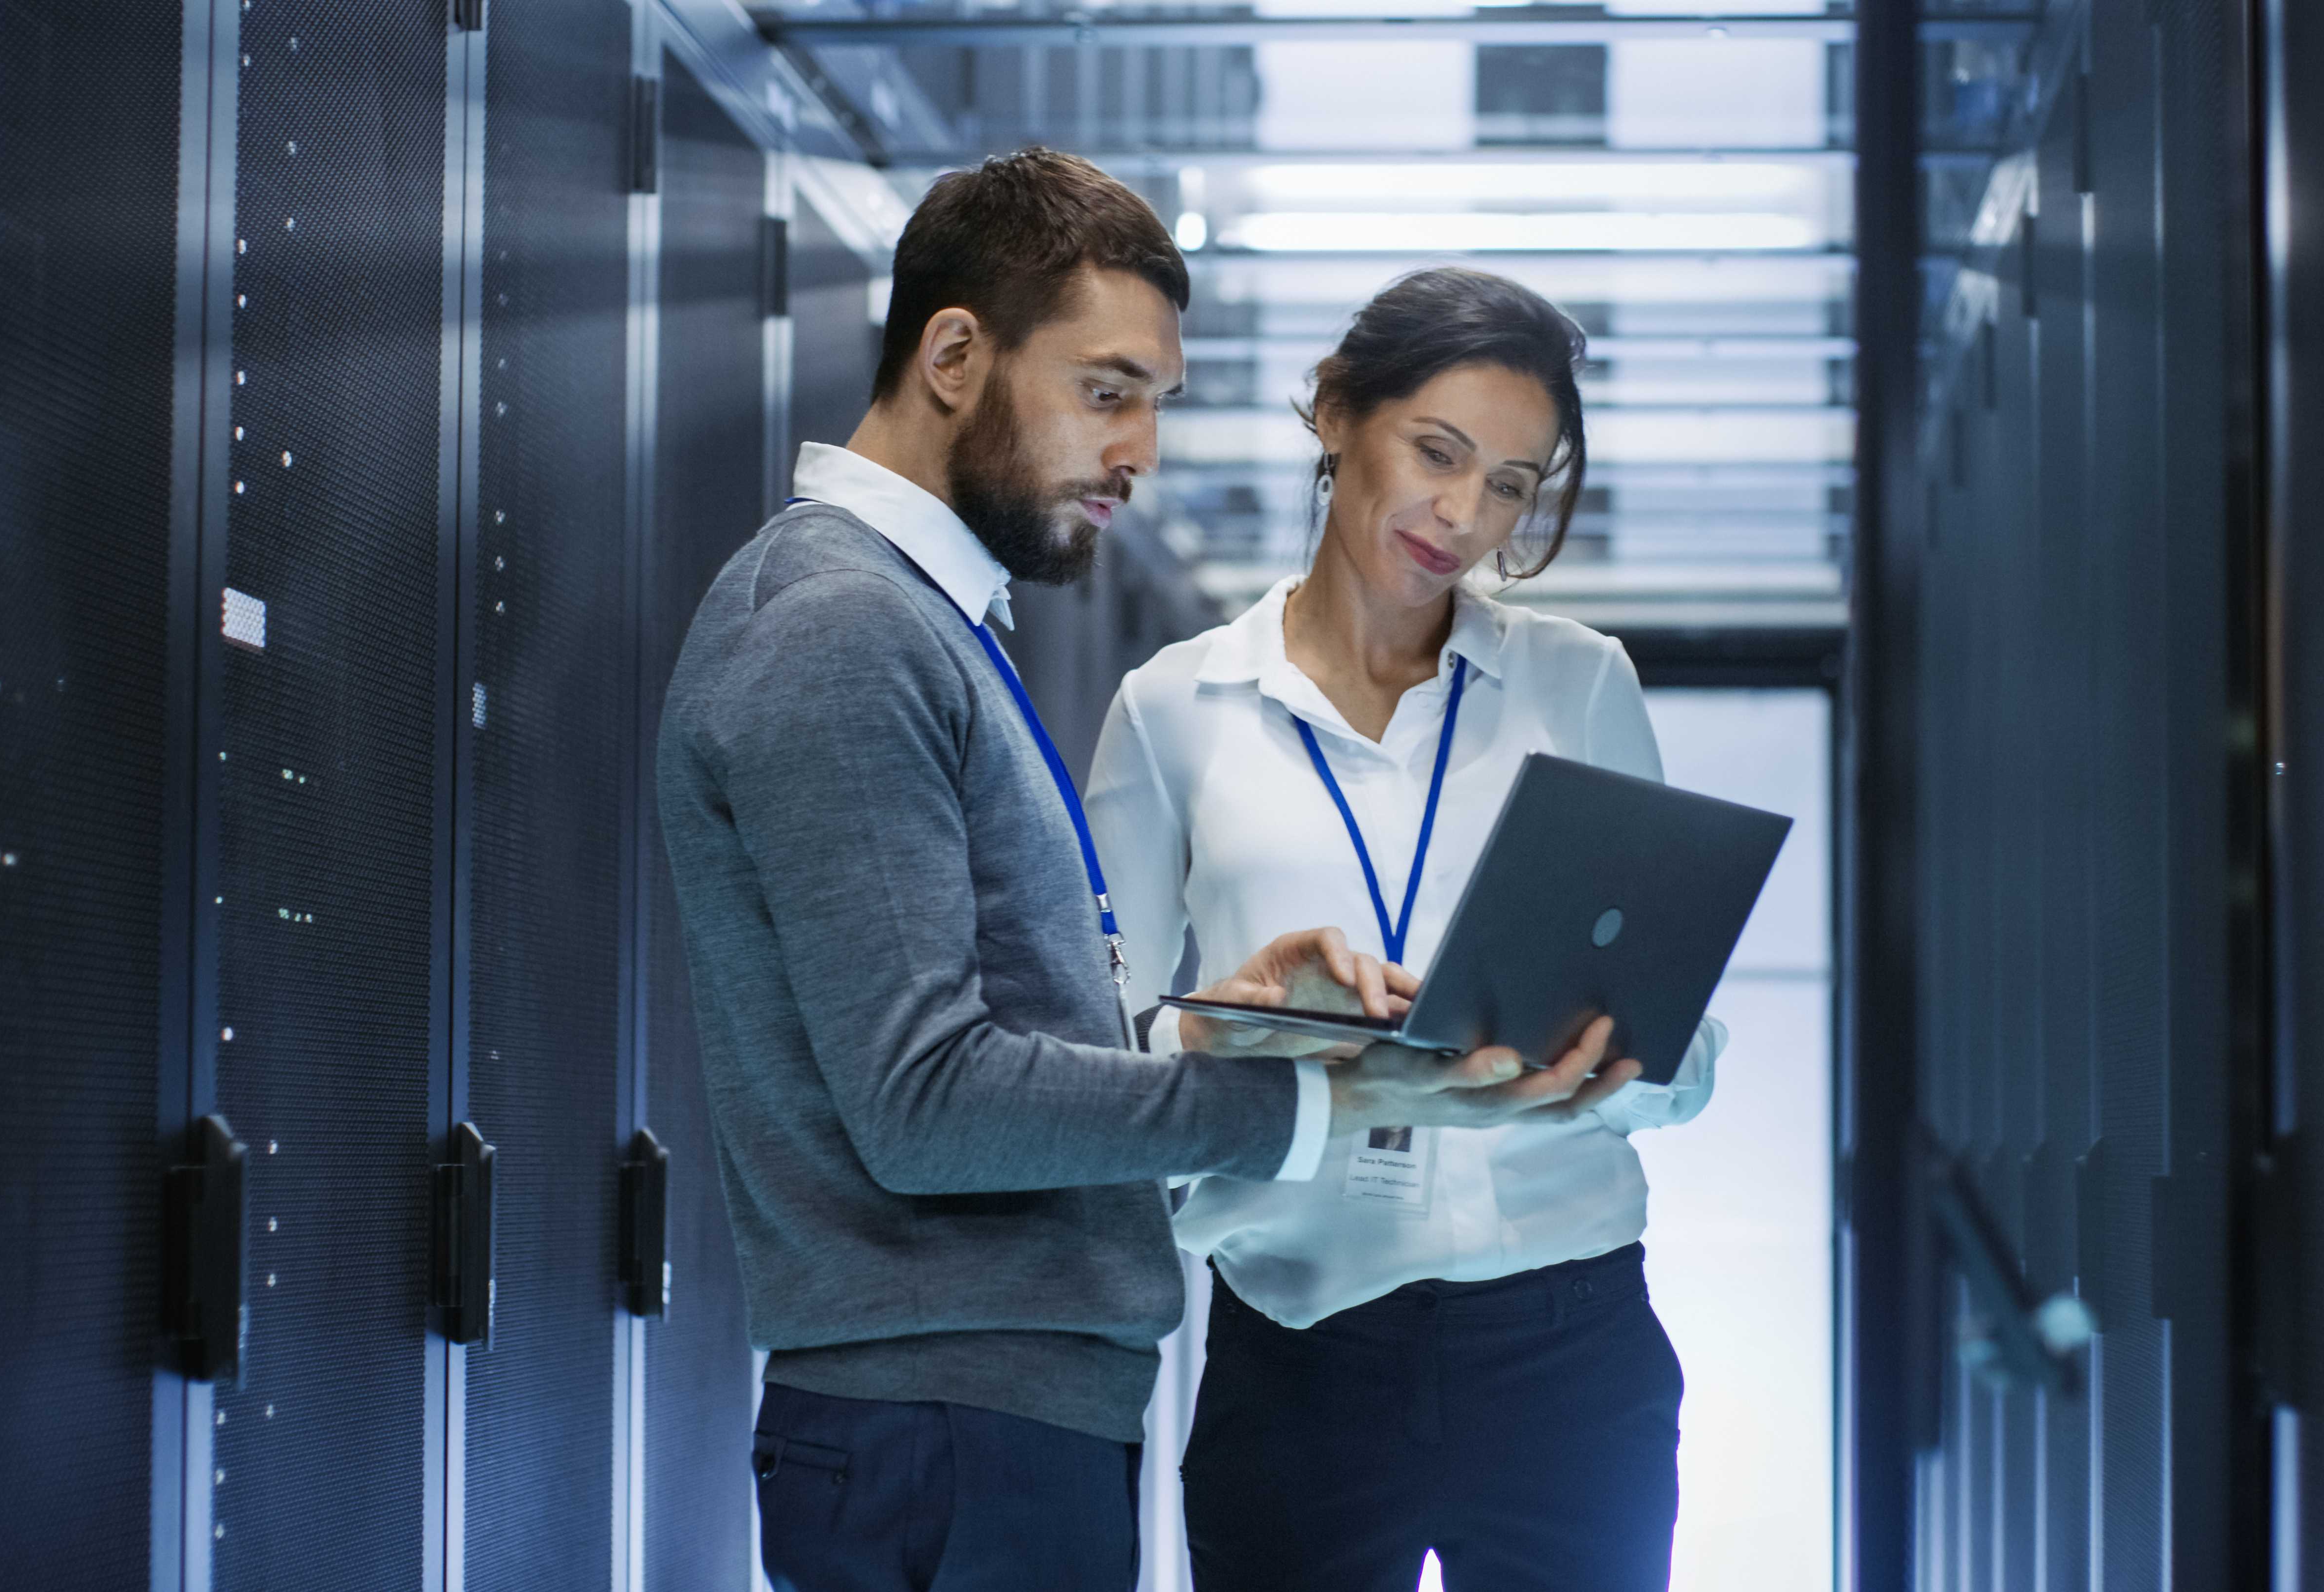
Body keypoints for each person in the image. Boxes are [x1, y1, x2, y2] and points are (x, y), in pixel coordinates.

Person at [655, 156, 1639, 1591]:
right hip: (953, 1417)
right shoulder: (843, 632)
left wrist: (1216, 1021)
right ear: (951, 355)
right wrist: (1308, 1096)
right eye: (1108, 392)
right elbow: (925, 1100)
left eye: (1157, 404)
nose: (1140, 453)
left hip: (997, 1408)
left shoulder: (920, 625)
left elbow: (1027, 1040)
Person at [1086, 266, 1726, 1591]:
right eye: (1438, 452)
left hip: (1568, 1341)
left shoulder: (1578, 683)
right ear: (1333, 412)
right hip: (1296, 1344)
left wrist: (1615, 1063)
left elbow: (1684, 1040)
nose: (1464, 514)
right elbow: (1102, 1066)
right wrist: (1249, 1037)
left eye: (1510, 482)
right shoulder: (1174, 708)